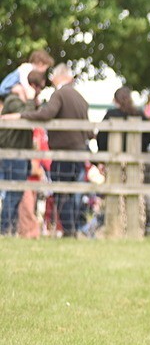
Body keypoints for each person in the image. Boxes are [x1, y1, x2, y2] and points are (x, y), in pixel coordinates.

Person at [3, 64, 92, 236]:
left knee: (62, 192)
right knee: (75, 193)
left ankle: (69, 230)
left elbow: (47, 114)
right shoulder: (80, 98)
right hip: (80, 151)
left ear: (59, 77)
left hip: (64, 151)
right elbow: (88, 129)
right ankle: (73, 229)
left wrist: (21, 116)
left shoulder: (59, 94)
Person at [0, 71, 46, 235]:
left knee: (16, 192)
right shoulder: (13, 99)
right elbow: (26, 116)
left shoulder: (20, 100)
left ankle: (8, 229)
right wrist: (30, 98)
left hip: (19, 153)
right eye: (37, 88)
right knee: (13, 192)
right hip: (13, 153)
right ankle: (4, 229)